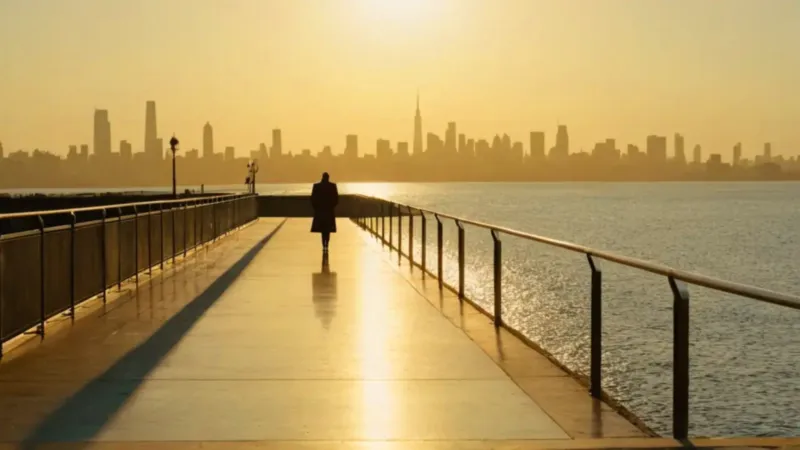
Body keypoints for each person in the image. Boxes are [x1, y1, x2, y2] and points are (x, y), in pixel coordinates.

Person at [310, 172, 339, 252]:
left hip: (320, 211)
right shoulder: (332, 186)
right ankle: (326, 243)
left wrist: (317, 208)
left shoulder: (317, 186)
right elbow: (336, 199)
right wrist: (332, 206)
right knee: (327, 229)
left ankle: (324, 243)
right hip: (329, 211)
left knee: (323, 229)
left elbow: (313, 199)